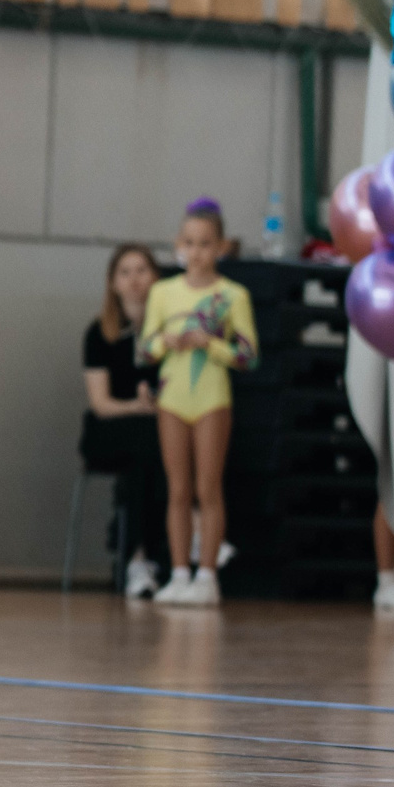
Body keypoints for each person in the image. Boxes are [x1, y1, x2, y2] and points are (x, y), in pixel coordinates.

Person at [140, 199, 257, 607]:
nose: (196, 251)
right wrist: (164, 342)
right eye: (189, 242)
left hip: (211, 398)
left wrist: (210, 343)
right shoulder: (162, 292)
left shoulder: (233, 295)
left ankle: (207, 574)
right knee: (178, 488)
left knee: (208, 486)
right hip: (172, 397)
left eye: (206, 243)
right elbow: (145, 349)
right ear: (178, 244)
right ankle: (178, 572)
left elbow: (248, 354)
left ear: (221, 247)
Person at [83, 244, 166, 599]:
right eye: (125, 272)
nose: (134, 280)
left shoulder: (167, 333)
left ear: (156, 277)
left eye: (142, 270)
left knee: (150, 457)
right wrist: (137, 405)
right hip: (110, 428)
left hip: (154, 434)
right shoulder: (100, 333)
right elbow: (101, 403)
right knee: (147, 444)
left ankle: (137, 555)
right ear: (113, 283)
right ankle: (146, 556)